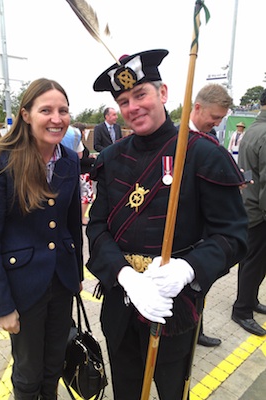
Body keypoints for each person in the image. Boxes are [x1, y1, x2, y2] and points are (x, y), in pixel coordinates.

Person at [86, 49, 248, 400]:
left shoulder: (202, 154)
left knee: (174, 391)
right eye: (124, 100)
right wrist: (124, 276)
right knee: (126, 391)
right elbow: (96, 228)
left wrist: (189, 269)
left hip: (173, 303)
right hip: (121, 300)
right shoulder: (112, 158)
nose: (133, 107)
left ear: (163, 93)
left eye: (141, 94)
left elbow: (233, 235)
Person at [0, 78, 83, 400]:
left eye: (63, 110)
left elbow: (71, 224)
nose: (56, 118)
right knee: (27, 374)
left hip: (61, 282)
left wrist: (76, 275)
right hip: (22, 287)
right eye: (46, 110)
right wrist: (1, 305)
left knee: (53, 366)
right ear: (26, 114)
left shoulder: (69, 159)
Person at [188, 84, 235, 347]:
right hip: (185, 231)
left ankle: (197, 329)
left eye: (219, 119)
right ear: (197, 108)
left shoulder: (212, 138)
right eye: (214, 117)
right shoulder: (177, 139)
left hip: (207, 231)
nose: (215, 123)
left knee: (201, 285)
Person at [232, 89, 266, 336]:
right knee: (255, 262)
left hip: (249, 205)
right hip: (260, 210)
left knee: (252, 261)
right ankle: (242, 309)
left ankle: (249, 299)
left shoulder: (253, 130)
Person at [73, 122, 96, 226]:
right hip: (84, 174)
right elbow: (81, 159)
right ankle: (82, 218)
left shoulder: (74, 143)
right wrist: (92, 161)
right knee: (86, 197)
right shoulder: (78, 144)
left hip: (79, 174)